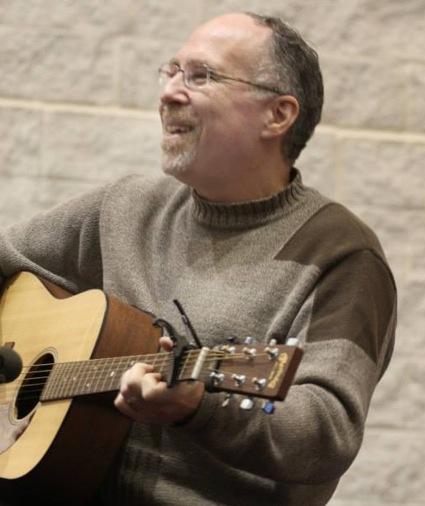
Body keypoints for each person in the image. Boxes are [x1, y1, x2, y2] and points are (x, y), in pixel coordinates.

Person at [0, 11, 396, 506]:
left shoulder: (341, 255)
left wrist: (201, 409)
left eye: (201, 76)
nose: (169, 93)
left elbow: (325, 432)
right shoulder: (124, 207)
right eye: (171, 71)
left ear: (278, 115)